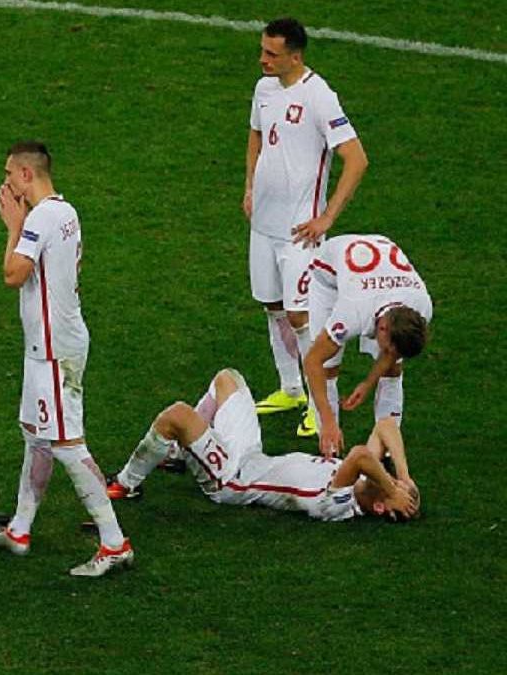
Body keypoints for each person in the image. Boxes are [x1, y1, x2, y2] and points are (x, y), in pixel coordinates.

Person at [0, 142, 134, 578]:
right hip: (48, 347)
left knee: (67, 445)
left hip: (54, 352)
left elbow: (13, 275)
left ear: (27, 175)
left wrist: (13, 227)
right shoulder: (65, 212)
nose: (6, 182)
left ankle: (115, 542)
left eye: (10, 173)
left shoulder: (40, 218)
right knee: (36, 436)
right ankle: (20, 529)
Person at [244, 17, 368, 437]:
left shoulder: (319, 96)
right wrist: (249, 187)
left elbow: (357, 159)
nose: (262, 59)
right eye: (262, 50)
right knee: (273, 306)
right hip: (262, 225)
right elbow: (256, 136)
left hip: (300, 232)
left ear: (295, 57)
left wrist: (327, 217)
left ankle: (320, 404)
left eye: (271, 54)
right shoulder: (264, 89)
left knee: (302, 314)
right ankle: (291, 388)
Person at [105, 368, 419, 522]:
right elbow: (385, 425)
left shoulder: (338, 504)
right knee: (227, 379)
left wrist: (393, 489)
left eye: (391, 487)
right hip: (250, 456)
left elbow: (361, 455)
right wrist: (404, 477)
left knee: (177, 416)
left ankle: (125, 484)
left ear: (379, 505)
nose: (391, 480)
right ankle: (178, 453)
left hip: (232, 480)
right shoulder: (368, 480)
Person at [301, 234, 431, 458]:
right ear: (382, 329)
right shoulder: (352, 312)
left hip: (374, 268)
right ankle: (330, 451)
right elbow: (312, 361)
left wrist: (368, 382)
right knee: (328, 368)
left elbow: (392, 354)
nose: (388, 354)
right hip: (327, 274)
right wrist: (327, 419)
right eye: (387, 350)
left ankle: (385, 450)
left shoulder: (422, 307)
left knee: (393, 369)